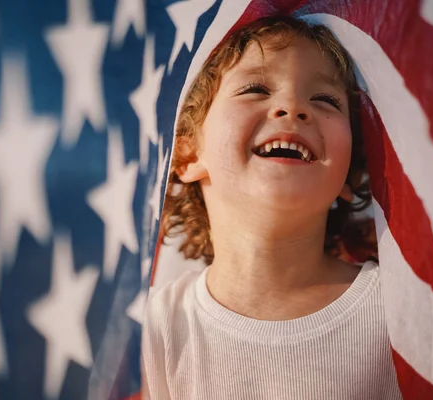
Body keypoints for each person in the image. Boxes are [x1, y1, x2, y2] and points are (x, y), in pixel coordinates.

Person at [141, 16, 402, 399]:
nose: (293, 107)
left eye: (325, 100)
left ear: (351, 171)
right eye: (256, 88)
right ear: (186, 151)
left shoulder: (399, 312)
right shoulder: (157, 328)